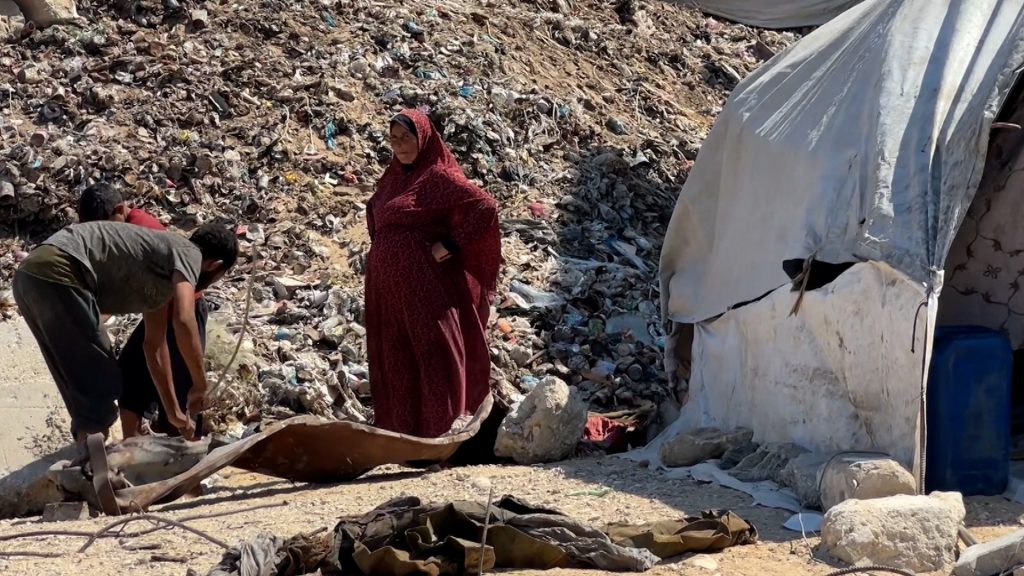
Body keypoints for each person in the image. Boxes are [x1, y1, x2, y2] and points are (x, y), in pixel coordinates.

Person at [12, 219, 238, 446]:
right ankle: (94, 457)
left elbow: (155, 348)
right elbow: (184, 318)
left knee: (80, 383)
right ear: (214, 265)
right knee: (102, 377)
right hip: (62, 270)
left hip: (29, 276)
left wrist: (174, 414)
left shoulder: (160, 270)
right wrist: (200, 385)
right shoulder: (189, 252)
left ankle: (87, 449)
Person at [365, 109, 501, 438]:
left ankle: (440, 430)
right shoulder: (393, 178)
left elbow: (485, 206)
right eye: (393, 138)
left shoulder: (437, 176)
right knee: (396, 353)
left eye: (406, 137)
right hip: (388, 288)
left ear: (423, 138)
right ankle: (403, 434)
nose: (399, 145)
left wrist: (450, 244)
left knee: (432, 352)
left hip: (425, 284)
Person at [76, 184, 210, 439]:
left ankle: (189, 455)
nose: (102, 236)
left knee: (183, 402)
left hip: (179, 311)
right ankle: (134, 448)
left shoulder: (141, 232)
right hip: (154, 311)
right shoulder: (119, 234)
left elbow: (173, 325)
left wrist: (199, 384)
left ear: (120, 210)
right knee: (130, 381)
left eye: (105, 228)